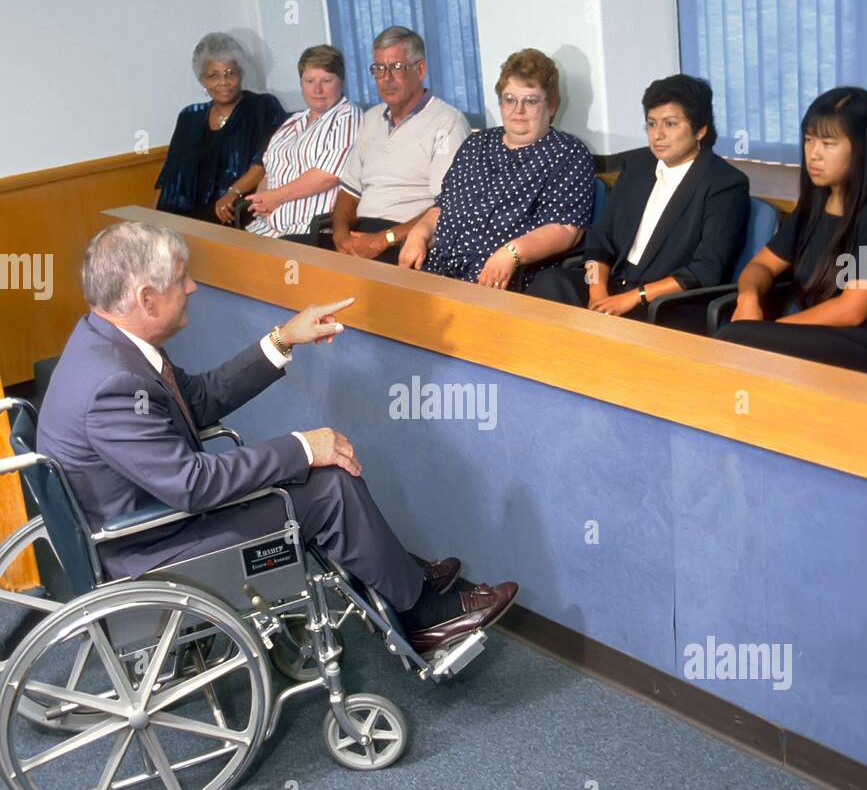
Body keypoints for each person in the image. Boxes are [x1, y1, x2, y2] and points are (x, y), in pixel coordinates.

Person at [36, 222, 518, 653]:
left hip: (148, 518)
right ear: (145, 299)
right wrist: (304, 446)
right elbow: (191, 485)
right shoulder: (114, 384)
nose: (193, 287)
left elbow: (197, 399)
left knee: (320, 476)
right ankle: (424, 617)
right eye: (182, 280)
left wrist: (282, 339)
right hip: (150, 549)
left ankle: (401, 579)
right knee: (327, 488)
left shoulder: (105, 342)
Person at [530, 75, 748, 319]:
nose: (658, 135)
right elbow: (600, 239)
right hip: (614, 285)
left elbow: (706, 269)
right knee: (551, 282)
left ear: (700, 130)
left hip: (664, 301)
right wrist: (597, 290)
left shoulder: (724, 183)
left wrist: (635, 297)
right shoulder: (637, 165)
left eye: (670, 124)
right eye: (652, 124)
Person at [716, 87, 867, 373]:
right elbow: (761, 266)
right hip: (818, 331)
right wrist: (749, 298)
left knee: (736, 339)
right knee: (733, 333)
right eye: (809, 140)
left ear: (861, 147)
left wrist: (773, 330)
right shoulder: (817, 202)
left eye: (828, 143)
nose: (814, 154)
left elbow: (852, 310)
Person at [399, 49, 596, 290]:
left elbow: (566, 229)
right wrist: (419, 233)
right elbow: (444, 205)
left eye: (531, 100)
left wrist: (512, 252)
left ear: (552, 105)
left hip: (506, 279)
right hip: (439, 269)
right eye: (509, 99)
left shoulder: (568, 153)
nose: (518, 110)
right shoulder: (476, 144)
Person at [329, 26, 470, 263]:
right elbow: (349, 193)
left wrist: (384, 239)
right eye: (379, 69)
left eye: (396, 68)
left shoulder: (446, 122)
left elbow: (447, 206)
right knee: (289, 252)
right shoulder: (371, 118)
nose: (386, 78)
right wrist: (340, 235)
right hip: (360, 235)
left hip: (405, 239)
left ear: (420, 69)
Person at [156, 32, 286, 225]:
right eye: (213, 75)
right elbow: (169, 175)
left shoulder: (263, 107)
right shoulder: (189, 117)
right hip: (184, 216)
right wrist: (154, 220)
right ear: (202, 80)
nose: (223, 82)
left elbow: (265, 161)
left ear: (240, 73)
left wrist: (233, 193)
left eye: (229, 73)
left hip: (235, 211)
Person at [244, 45, 360, 244]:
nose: (317, 89)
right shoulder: (292, 121)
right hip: (266, 227)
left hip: (308, 232)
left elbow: (327, 176)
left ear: (341, 81)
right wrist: (262, 199)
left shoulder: (348, 117)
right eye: (309, 81)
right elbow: (270, 169)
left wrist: (276, 197)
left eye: (326, 81)